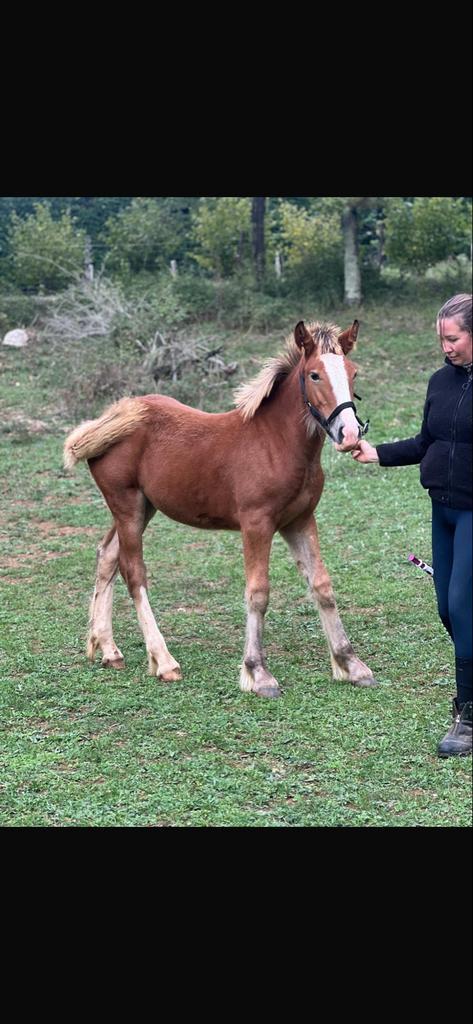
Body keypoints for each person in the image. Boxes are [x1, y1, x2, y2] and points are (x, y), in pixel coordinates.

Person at [352, 294, 472, 758]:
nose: (445, 347)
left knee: (463, 606)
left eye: (453, 338)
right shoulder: (440, 382)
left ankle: (468, 716)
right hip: (442, 511)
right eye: (441, 338)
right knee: (447, 609)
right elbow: (427, 441)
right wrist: (376, 452)